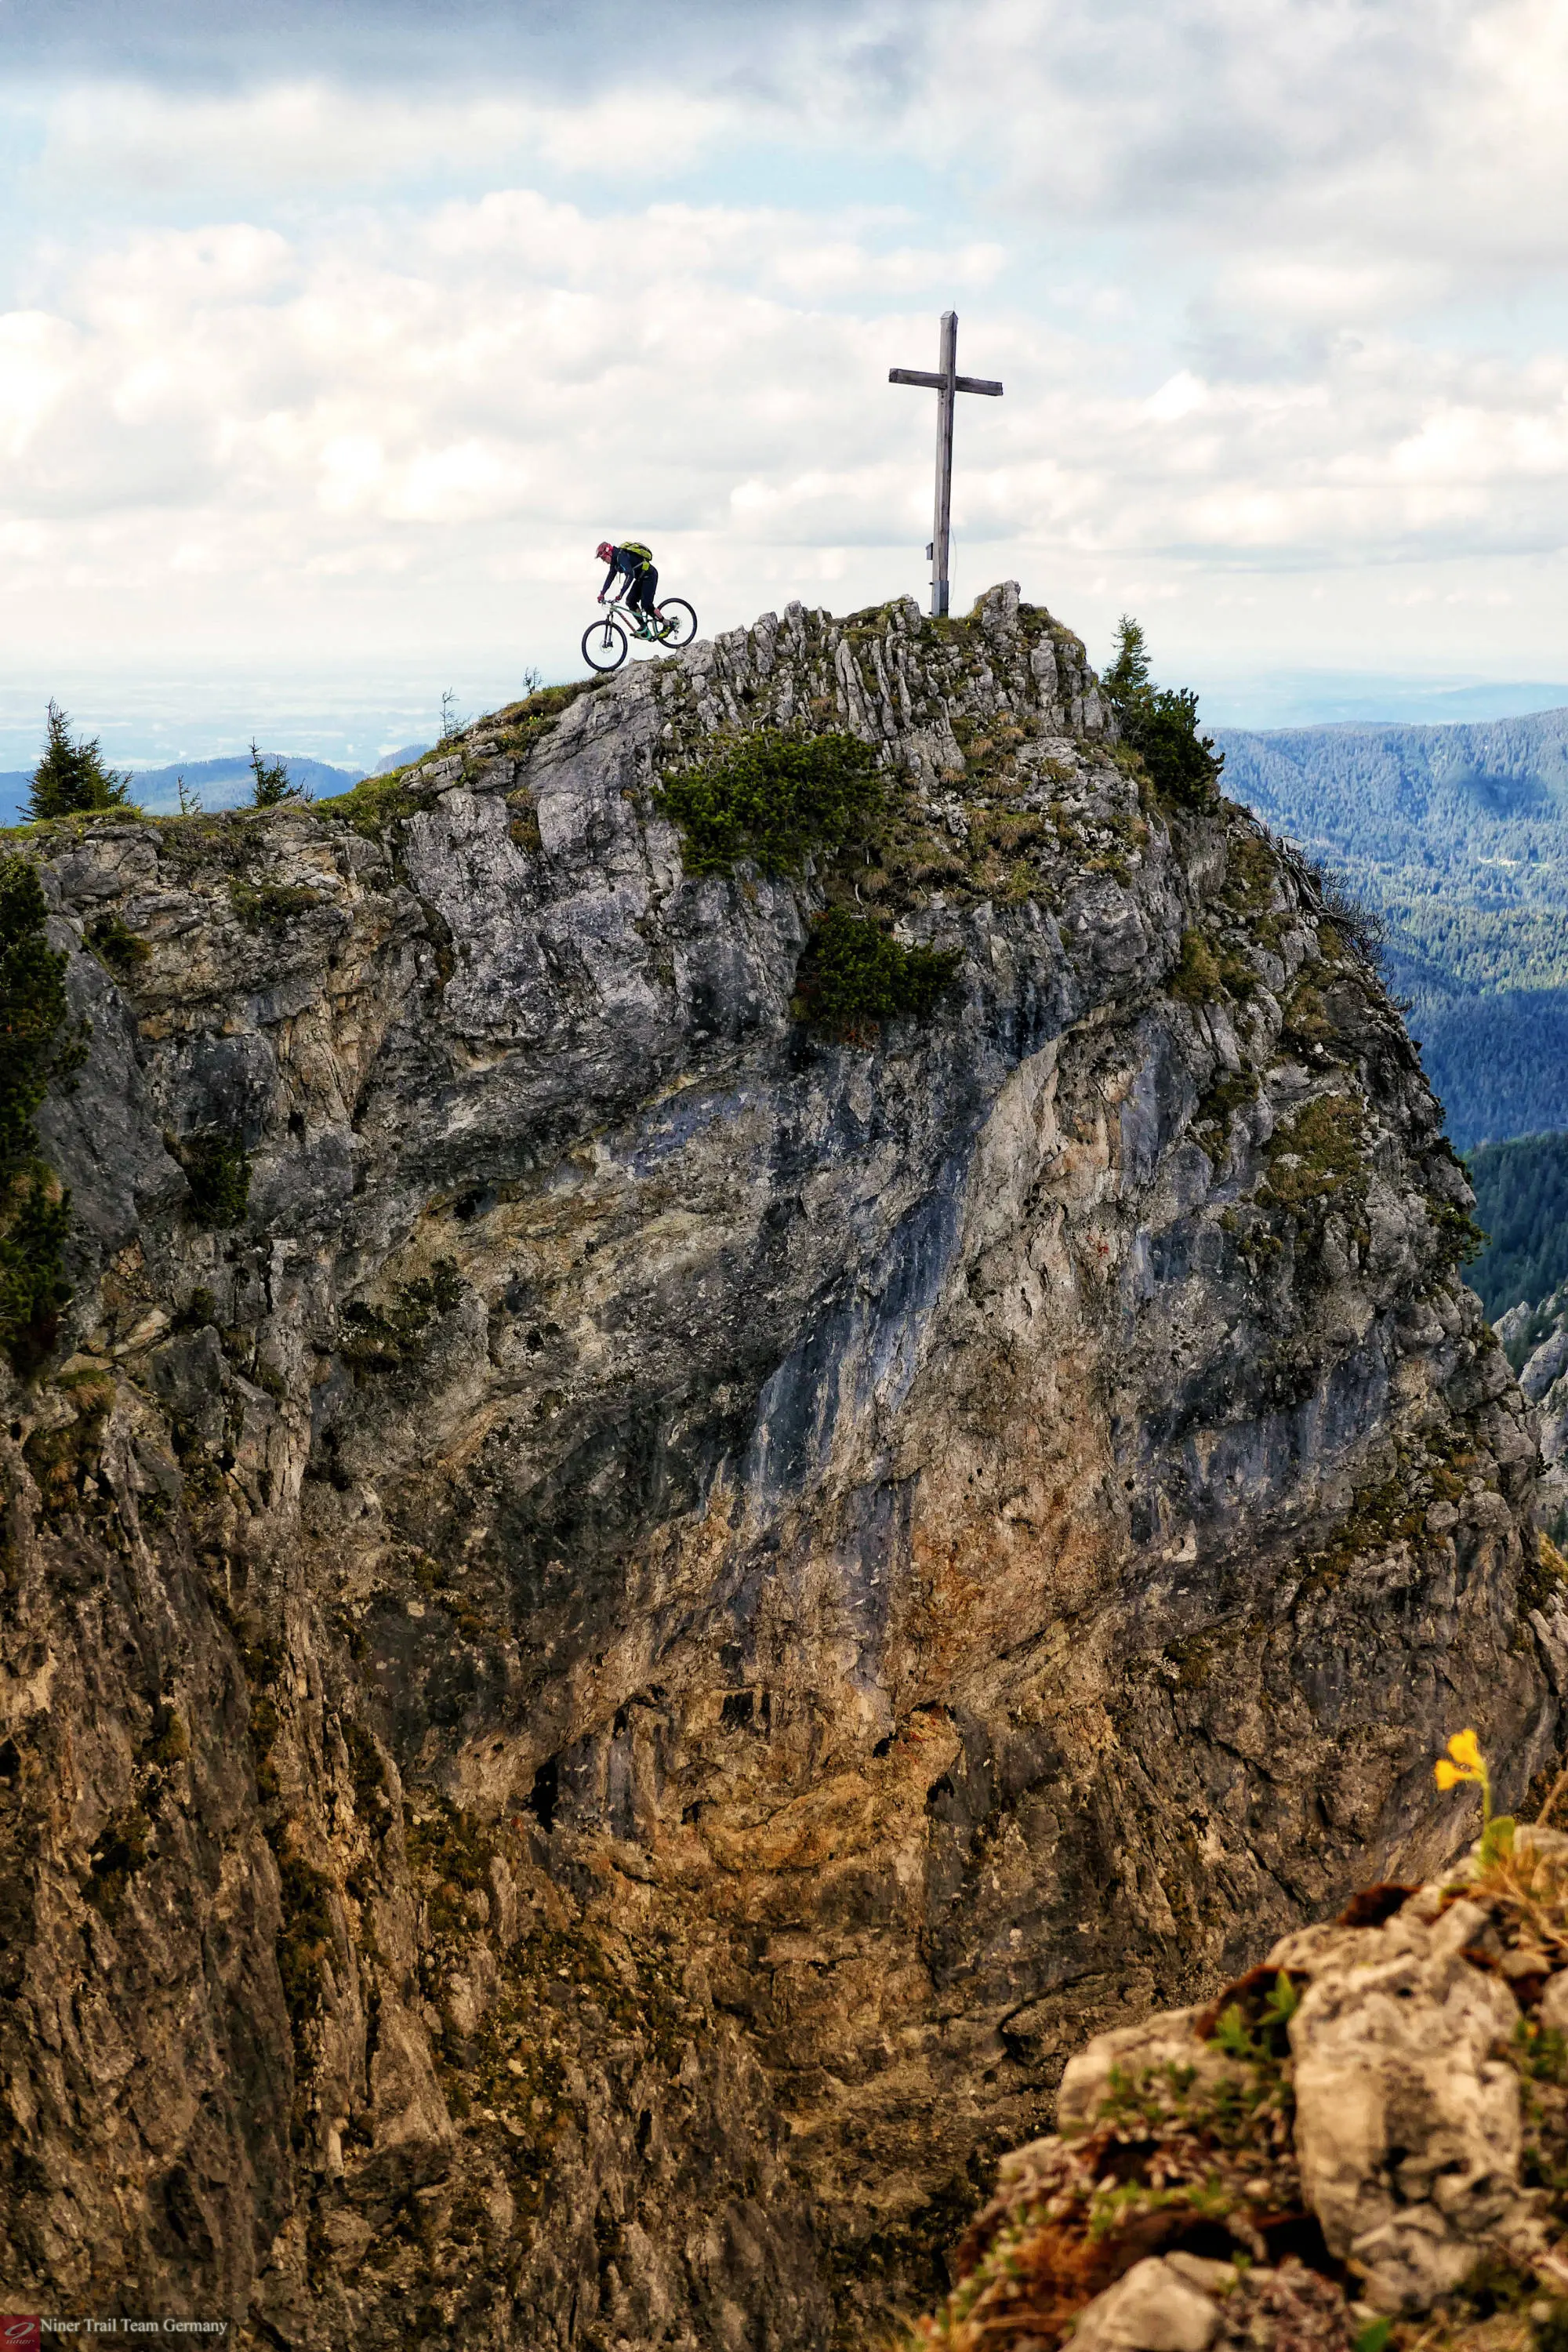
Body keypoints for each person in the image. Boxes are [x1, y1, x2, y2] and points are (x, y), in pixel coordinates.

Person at [597, 540, 659, 634]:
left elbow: (630, 575)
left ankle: (667, 623)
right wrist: (602, 593)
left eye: (604, 558)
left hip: (650, 576)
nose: (604, 561)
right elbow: (610, 577)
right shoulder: (615, 561)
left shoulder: (621, 557)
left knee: (647, 606)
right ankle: (644, 628)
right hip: (640, 579)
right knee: (630, 601)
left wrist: (621, 594)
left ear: (609, 552)